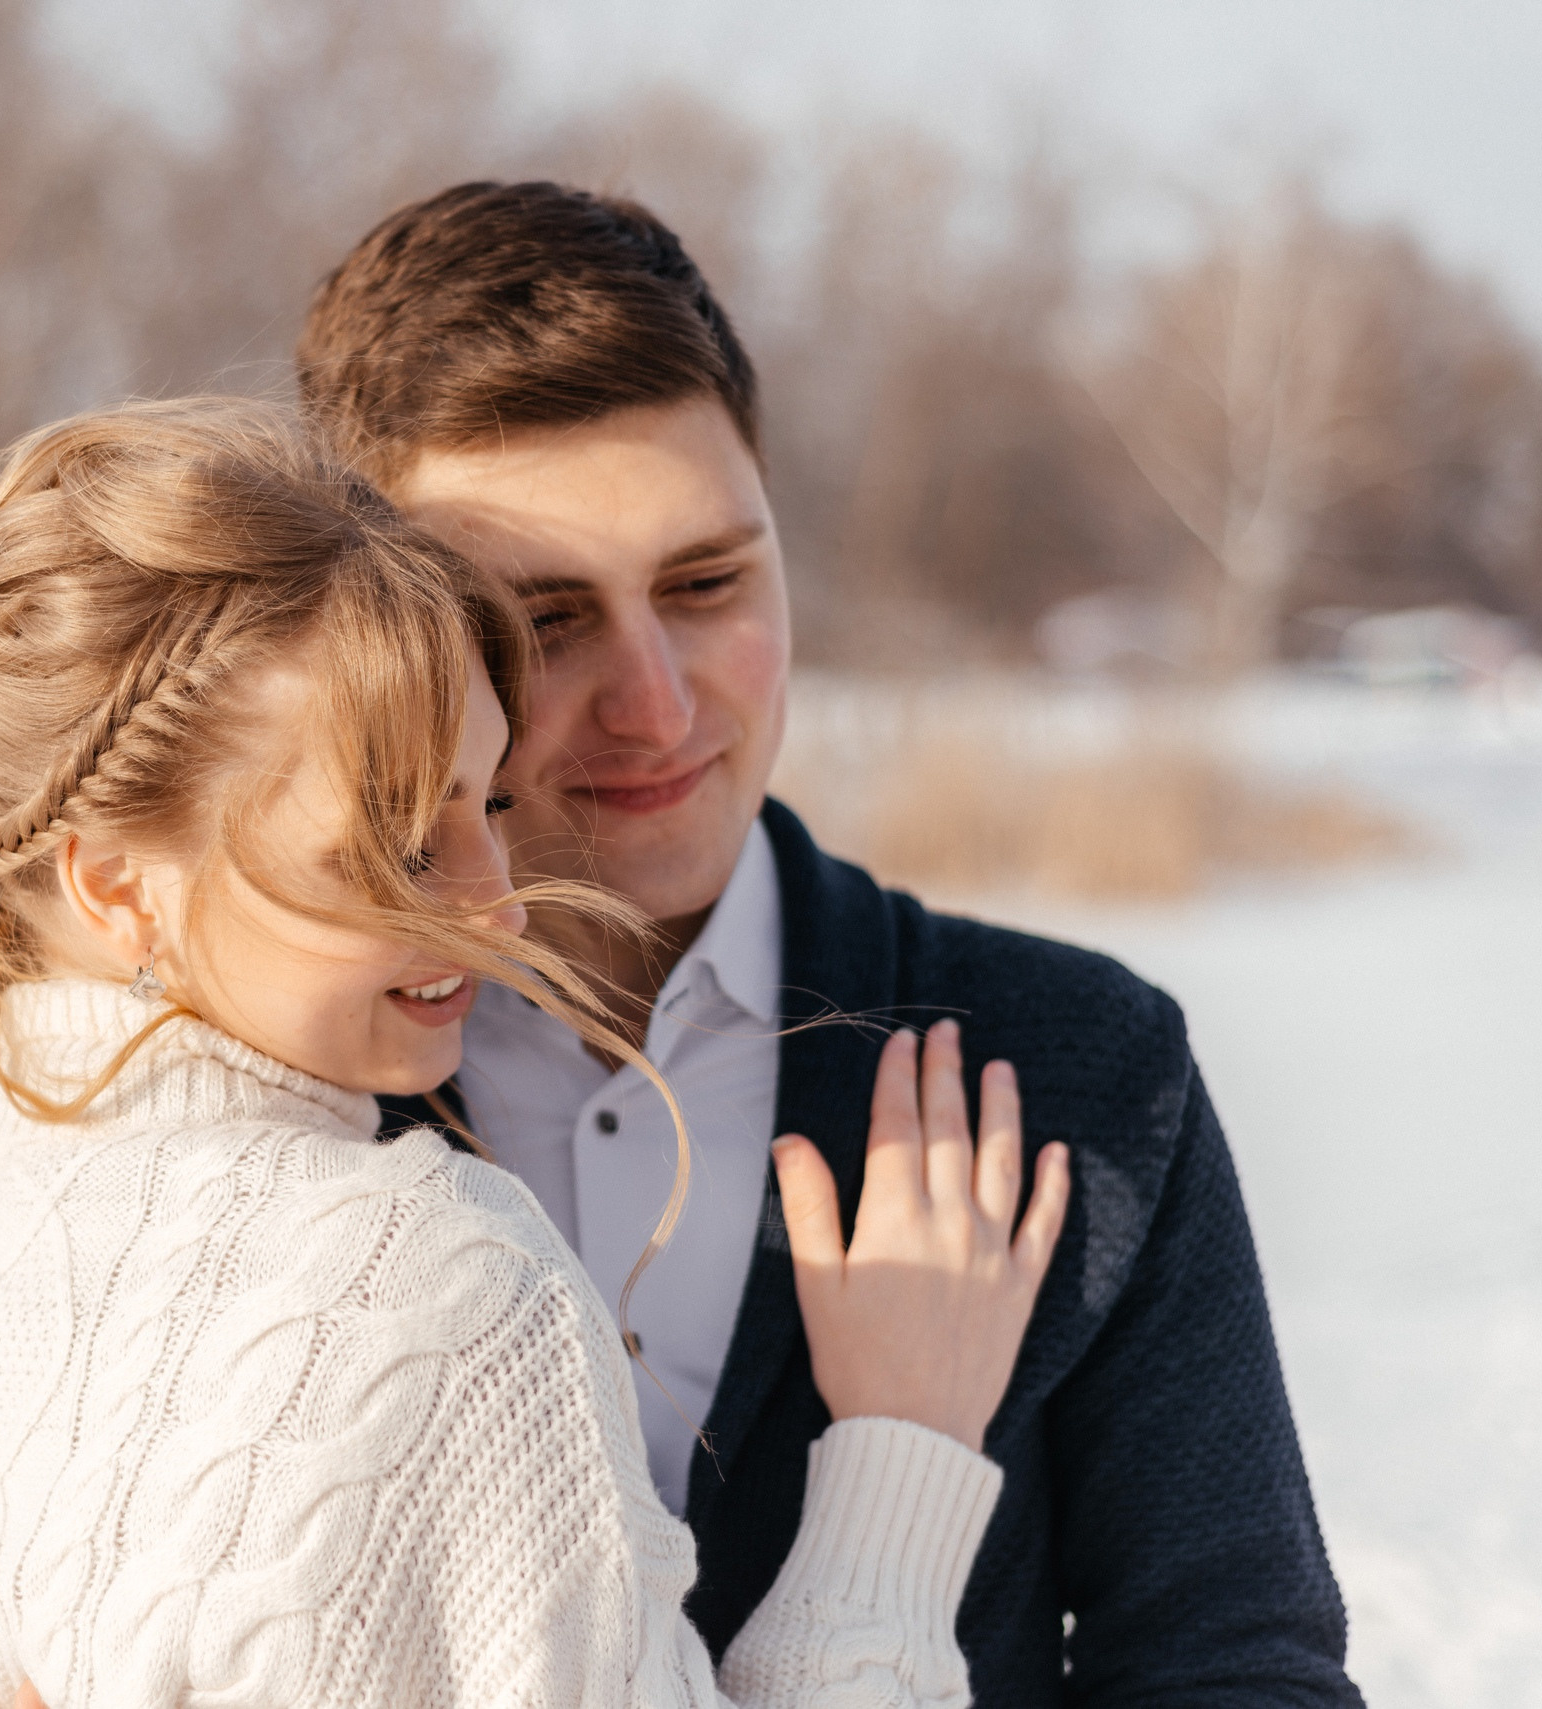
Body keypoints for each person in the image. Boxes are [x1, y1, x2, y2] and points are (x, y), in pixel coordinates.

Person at [0, 400, 1070, 1708]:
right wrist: (899, 1454)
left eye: (488, 801)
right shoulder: (432, 1281)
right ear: (115, 883)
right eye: (393, 839)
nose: (496, 902)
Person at [297, 183, 1363, 1707]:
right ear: (384, 635)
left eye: (708, 582)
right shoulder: (257, 1088)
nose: (659, 705)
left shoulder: (1080, 1070)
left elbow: (1229, 1663)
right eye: (545, 619)